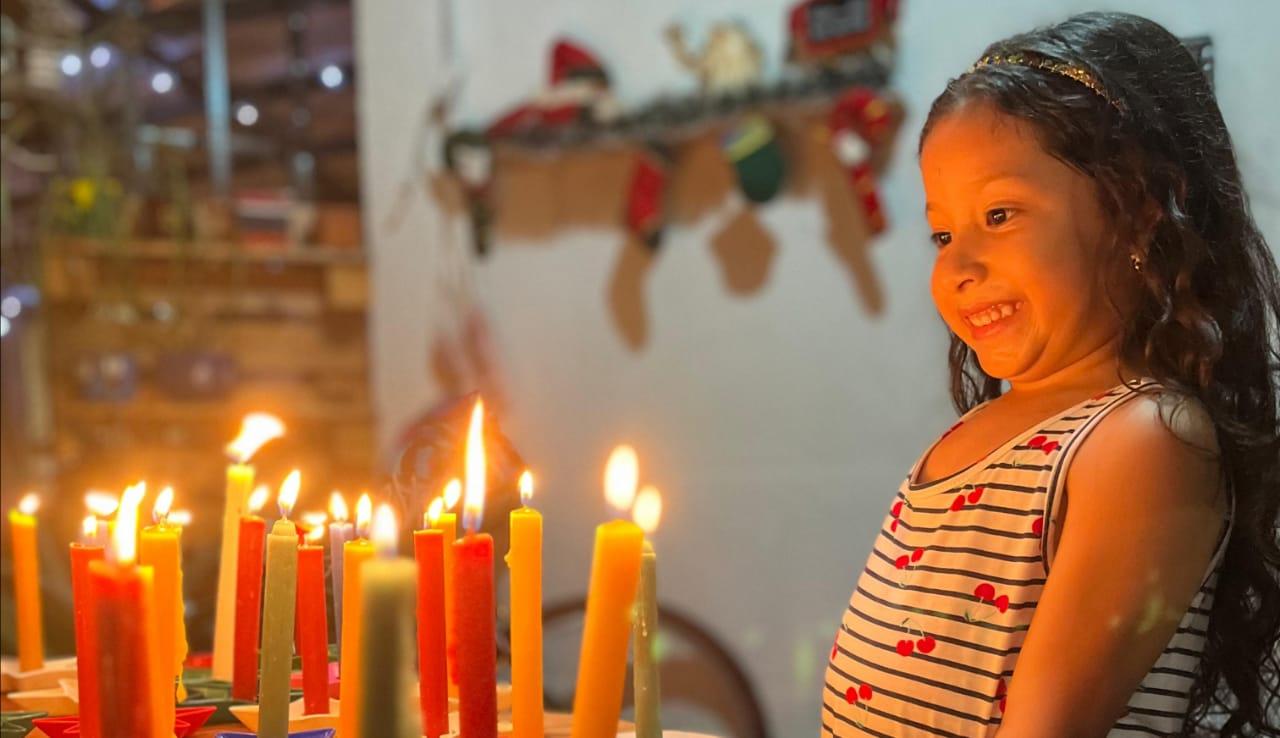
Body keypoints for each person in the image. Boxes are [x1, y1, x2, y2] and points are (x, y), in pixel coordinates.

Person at [823, 12, 1279, 737]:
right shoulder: (977, 437)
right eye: (943, 233)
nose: (959, 268)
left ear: (1136, 217)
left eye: (999, 214)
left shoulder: (1143, 442)